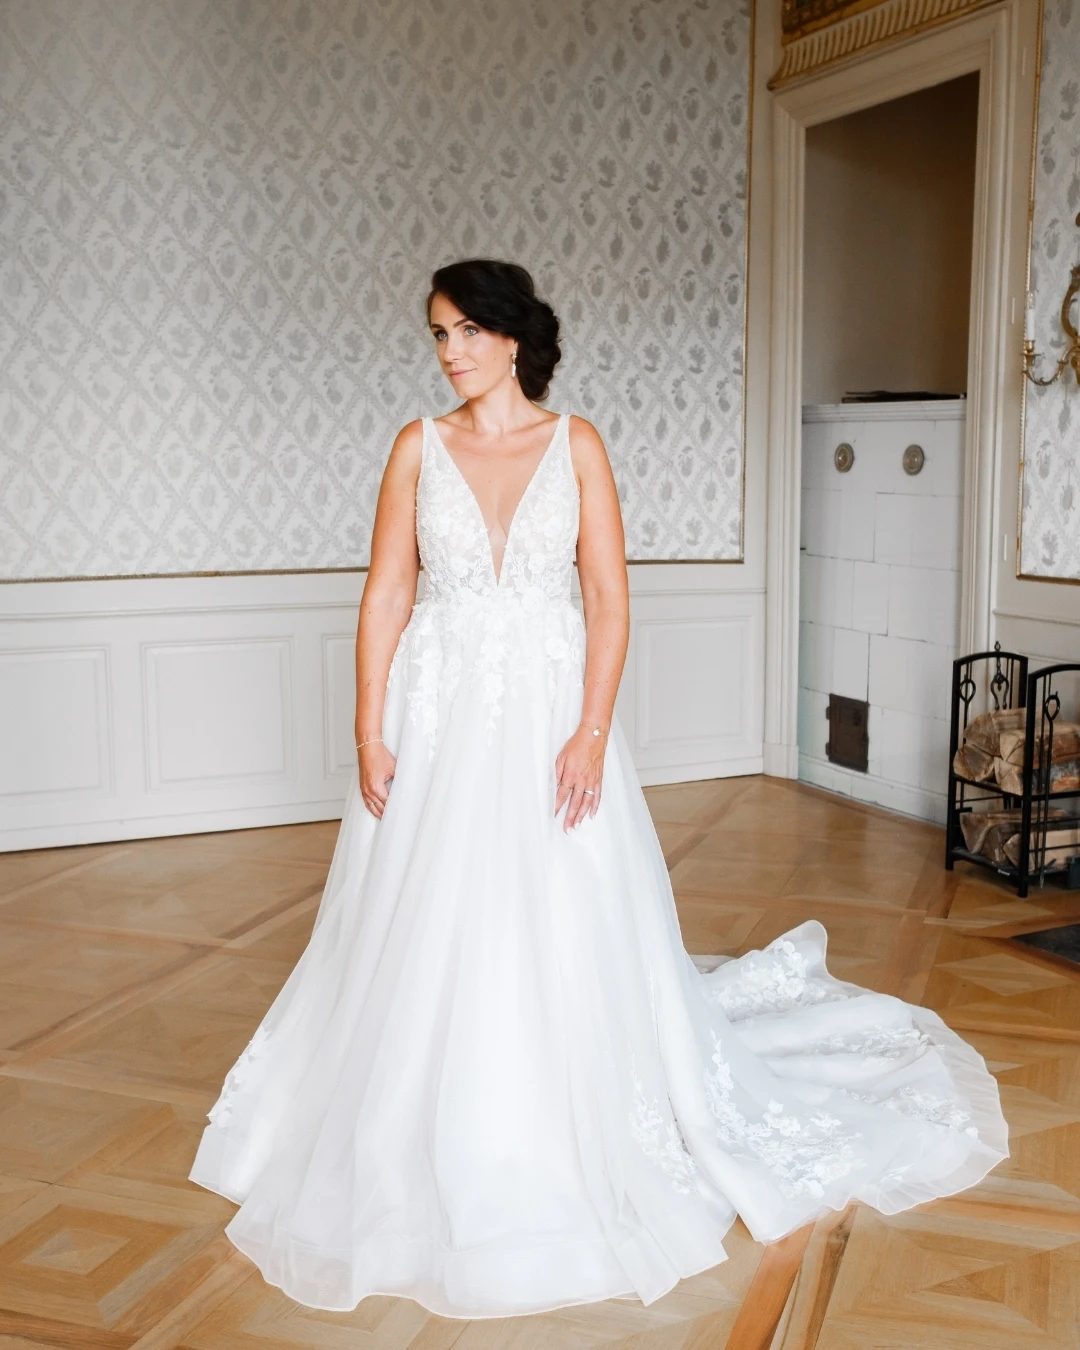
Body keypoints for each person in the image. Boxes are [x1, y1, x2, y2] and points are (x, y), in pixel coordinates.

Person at [188, 258, 1008, 1318]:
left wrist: (589, 731)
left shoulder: (575, 444)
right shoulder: (414, 447)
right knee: (423, 913)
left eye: (467, 331)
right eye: (438, 333)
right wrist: (367, 727)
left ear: (512, 338)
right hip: (436, 716)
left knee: (560, 901)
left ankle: (564, 1105)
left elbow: (610, 600)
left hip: (548, 714)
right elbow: (388, 591)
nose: (449, 352)